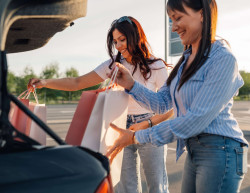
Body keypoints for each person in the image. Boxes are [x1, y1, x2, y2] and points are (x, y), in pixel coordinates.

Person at [106, 1, 249, 193]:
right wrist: (131, 84)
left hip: (221, 150)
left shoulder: (222, 58)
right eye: (171, 20)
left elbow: (194, 121)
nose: (173, 27)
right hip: (194, 149)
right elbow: (163, 104)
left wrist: (136, 137)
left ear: (202, 14)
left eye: (178, 18)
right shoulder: (186, 60)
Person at [28, 16, 173, 193]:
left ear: (136, 36)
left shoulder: (156, 66)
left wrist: (145, 124)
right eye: (115, 41)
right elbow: (77, 83)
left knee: (157, 185)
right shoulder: (113, 65)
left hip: (150, 126)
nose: (118, 46)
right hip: (120, 126)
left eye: (122, 39)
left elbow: (169, 108)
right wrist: (44, 82)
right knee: (126, 187)